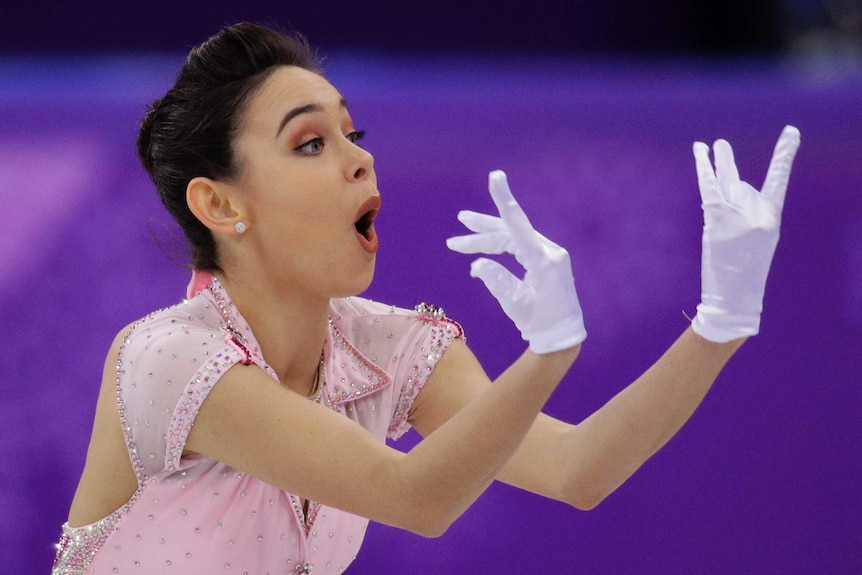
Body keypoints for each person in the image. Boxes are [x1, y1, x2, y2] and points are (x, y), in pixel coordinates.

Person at [52, 21, 800, 575]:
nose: (360, 158)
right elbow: (415, 496)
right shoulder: (170, 358)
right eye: (311, 143)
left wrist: (722, 320)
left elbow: (577, 469)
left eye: (353, 132)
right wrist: (548, 354)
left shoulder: (388, 348)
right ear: (219, 205)